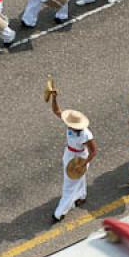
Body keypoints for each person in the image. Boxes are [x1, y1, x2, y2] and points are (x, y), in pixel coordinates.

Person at [48, 89, 96, 222]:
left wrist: (83, 163)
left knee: (68, 186)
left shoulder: (86, 135)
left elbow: (93, 151)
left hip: (79, 158)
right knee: (76, 180)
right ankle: (81, 196)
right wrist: (54, 98)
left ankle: (59, 212)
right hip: (69, 154)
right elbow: (57, 111)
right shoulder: (71, 126)